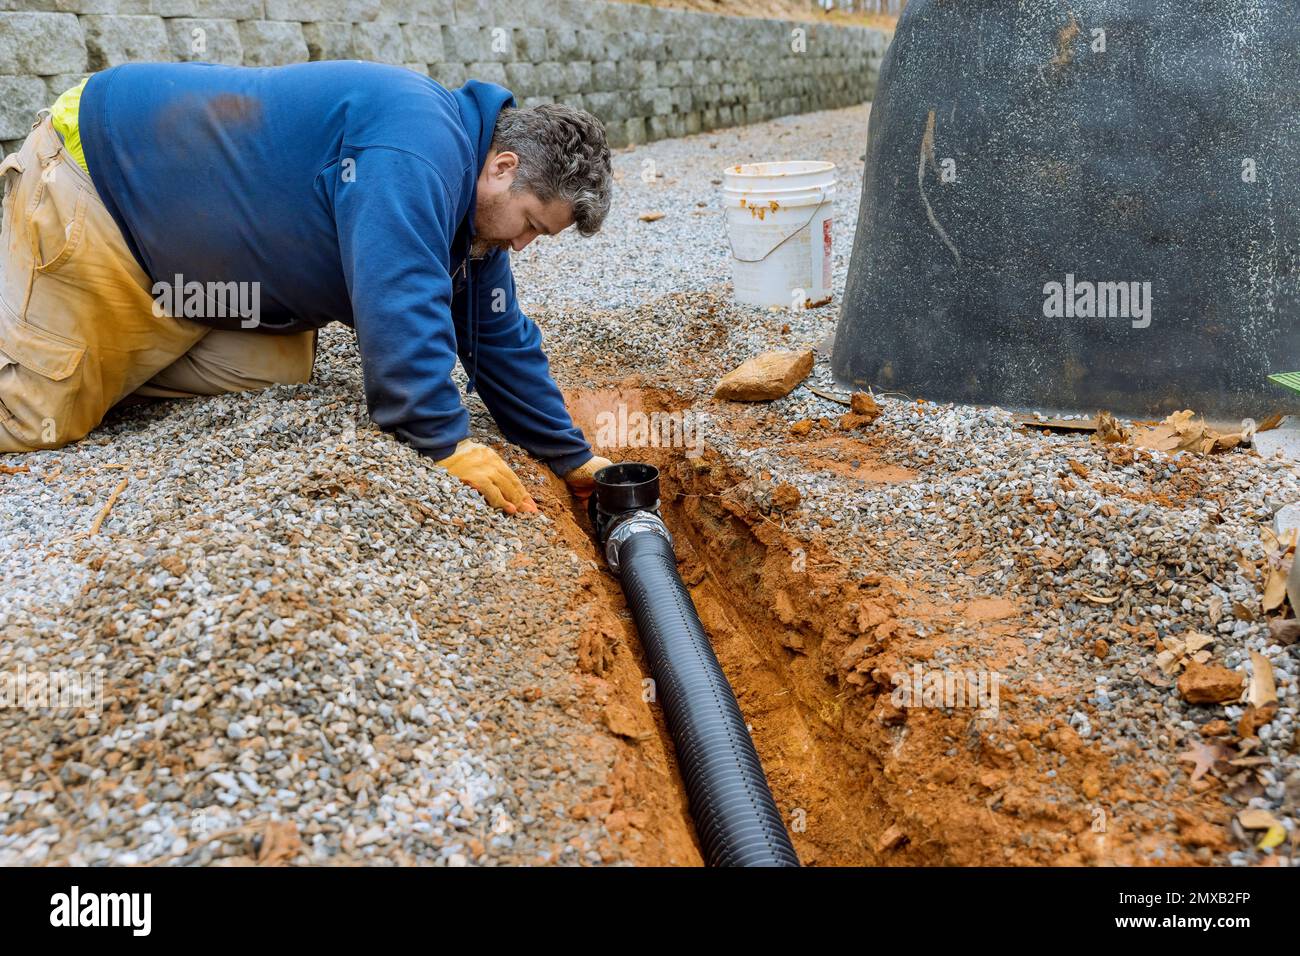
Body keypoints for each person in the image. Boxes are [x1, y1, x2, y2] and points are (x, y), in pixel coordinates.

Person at [0, 60, 613, 512]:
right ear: (502, 167)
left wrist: (569, 455)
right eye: (531, 224)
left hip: (186, 270)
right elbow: (400, 293)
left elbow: (494, 333)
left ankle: (92, 350)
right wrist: (442, 443)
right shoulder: (418, 149)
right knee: (37, 417)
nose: (524, 245)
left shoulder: (472, 213)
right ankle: (55, 345)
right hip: (105, 189)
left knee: (276, 364)